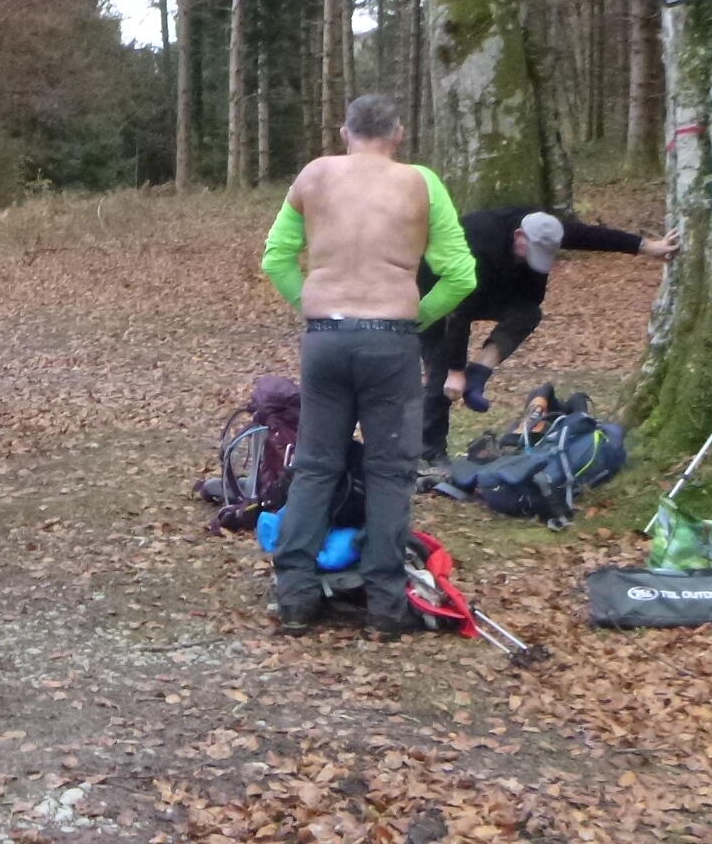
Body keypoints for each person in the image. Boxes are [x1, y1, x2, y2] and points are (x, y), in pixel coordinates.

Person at [260, 94, 477, 639]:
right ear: (398, 133)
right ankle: (384, 605)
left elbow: (276, 258)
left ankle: (295, 597)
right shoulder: (422, 183)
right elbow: (461, 274)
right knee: (390, 470)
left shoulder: (314, 176)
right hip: (391, 343)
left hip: (326, 341)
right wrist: (414, 319)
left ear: (344, 132)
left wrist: (313, 308)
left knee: (316, 466)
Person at [418, 207, 680, 463]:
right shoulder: (479, 240)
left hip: (488, 289)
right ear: (519, 236)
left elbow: (592, 236)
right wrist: (455, 371)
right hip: (437, 295)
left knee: (527, 313)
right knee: (441, 374)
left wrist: (647, 247)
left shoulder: (545, 229)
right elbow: (458, 314)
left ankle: (478, 373)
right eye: (532, 252)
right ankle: (430, 452)